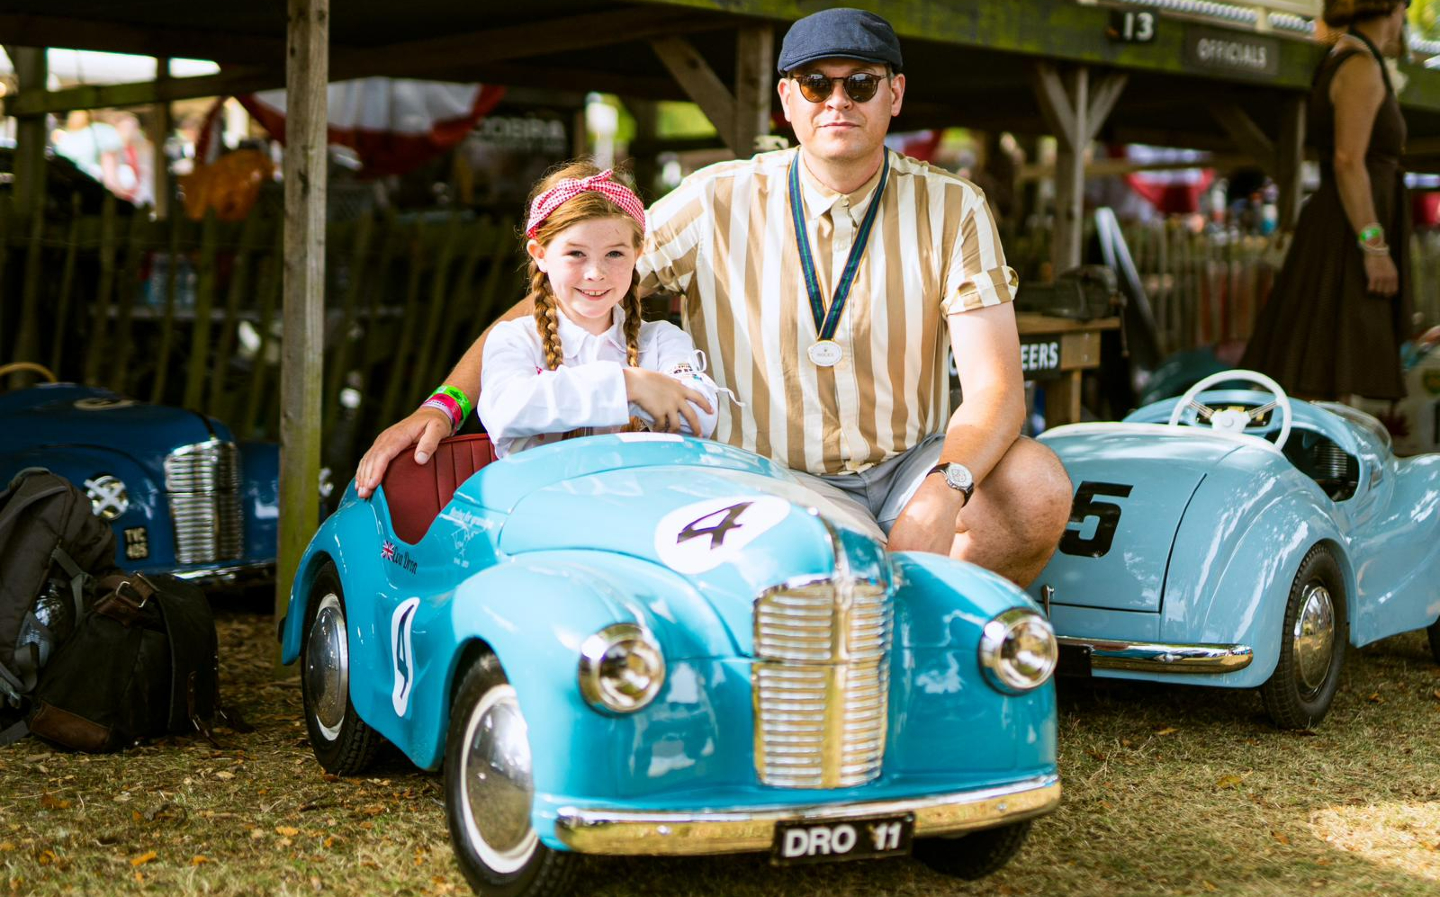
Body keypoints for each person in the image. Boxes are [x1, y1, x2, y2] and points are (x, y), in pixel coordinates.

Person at [358, 8, 1072, 587]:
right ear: (787, 99)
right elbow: (569, 292)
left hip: (907, 458)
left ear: (896, 96)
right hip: (766, 472)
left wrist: (945, 487)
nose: (838, 101)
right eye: (816, 84)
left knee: (1036, 488)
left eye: (860, 84)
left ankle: (941, 644)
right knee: (804, 572)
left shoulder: (954, 206)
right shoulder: (716, 198)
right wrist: (442, 404)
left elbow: (997, 390)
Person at [475, 161, 720, 456]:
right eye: (576, 253)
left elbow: (700, 414)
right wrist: (630, 385)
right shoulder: (515, 339)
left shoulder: (661, 340)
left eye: (614, 253)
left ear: (637, 255)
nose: (595, 273)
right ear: (540, 255)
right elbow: (506, 408)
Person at [1241, 0, 1414, 400]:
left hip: (1346, 228)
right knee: (1329, 367)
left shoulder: (1358, 59)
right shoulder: (1359, 66)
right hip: (1347, 234)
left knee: (1334, 365)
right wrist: (1373, 245)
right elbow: (1347, 162)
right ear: (1392, 10)